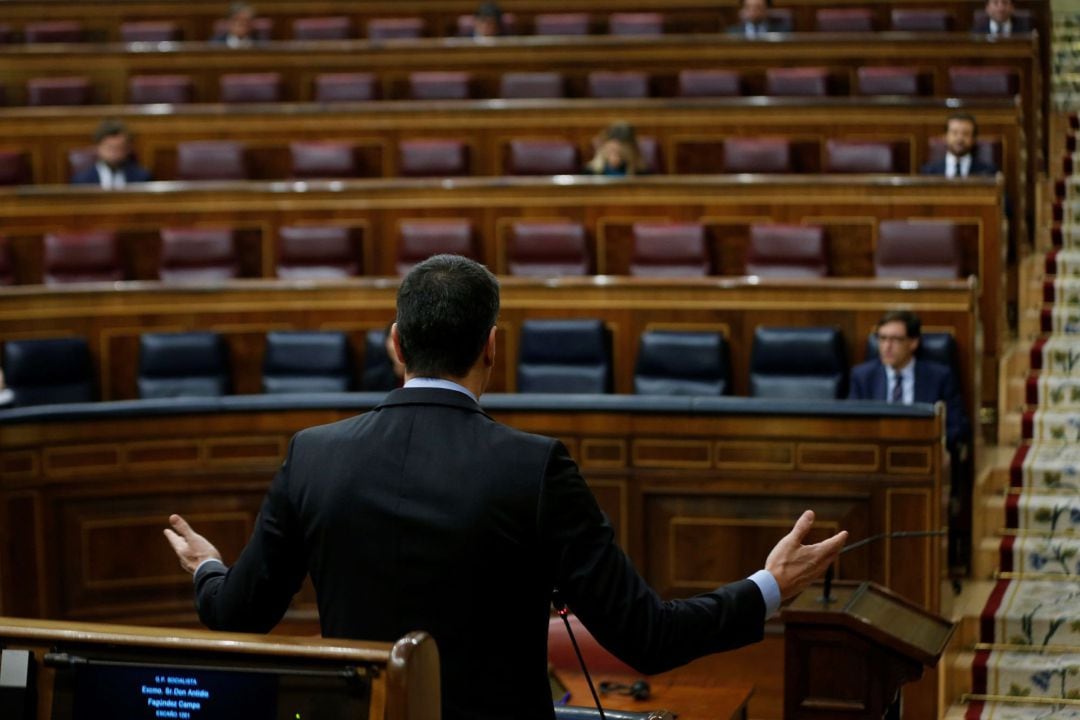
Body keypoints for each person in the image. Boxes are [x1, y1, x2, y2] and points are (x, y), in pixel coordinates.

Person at [164, 254, 846, 720]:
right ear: (493, 346)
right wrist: (769, 587)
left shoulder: (312, 456)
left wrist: (208, 569)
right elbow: (648, 637)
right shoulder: (534, 467)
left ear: (395, 344)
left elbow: (236, 617)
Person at [70, 119, 152, 189]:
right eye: (109, 148)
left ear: (128, 149)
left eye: (119, 148)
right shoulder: (81, 181)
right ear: (97, 147)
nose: (114, 153)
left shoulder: (142, 178)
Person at [920, 113, 999, 178]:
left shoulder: (988, 172)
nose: (960, 138)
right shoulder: (928, 172)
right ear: (945, 136)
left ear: (973, 139)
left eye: (966, 134)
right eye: (954, 133)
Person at [584, 122, 649, 176]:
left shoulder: (641, 172)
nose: (615, 154)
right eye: (611, 149)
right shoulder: (590, 172)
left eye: (620, 151)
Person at [361, 321, 405, 390]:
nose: (400, 345)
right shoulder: (373, 380)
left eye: (404, 338)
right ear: (386, 343)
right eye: (395, 338)